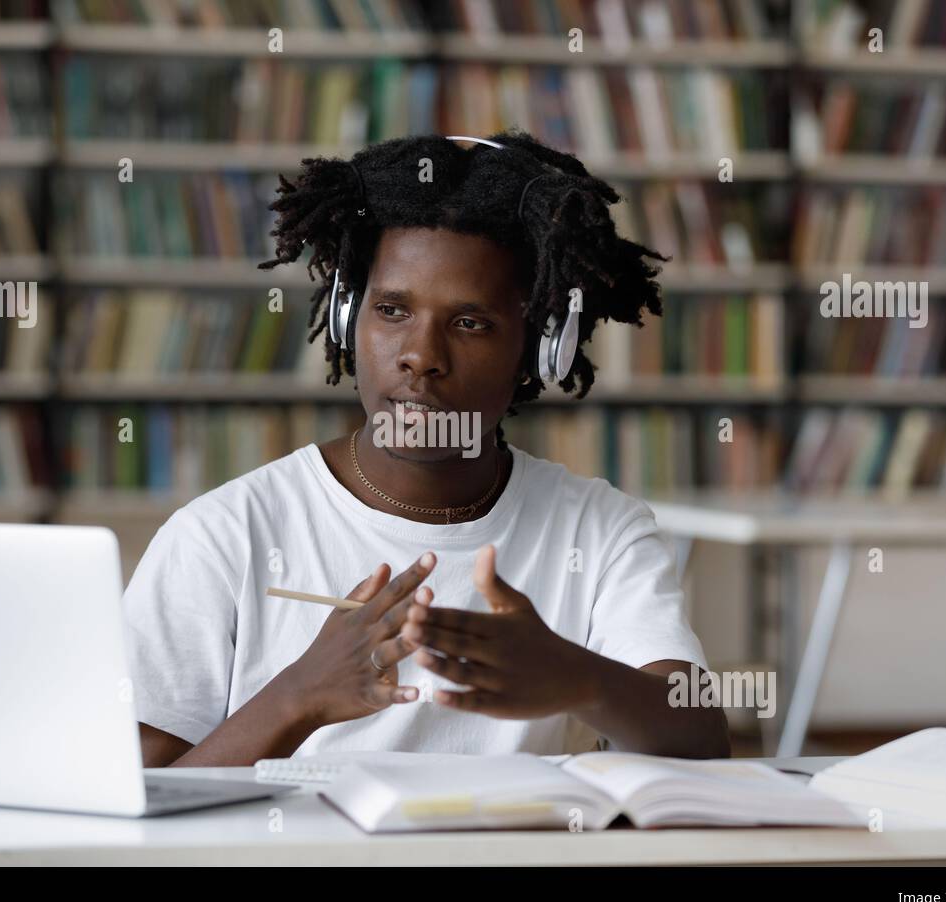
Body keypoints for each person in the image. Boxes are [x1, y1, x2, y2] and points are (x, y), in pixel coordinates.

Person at [126, 129, 730, 767]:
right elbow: (140, 809)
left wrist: (577, 676)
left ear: (539, 348)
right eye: (391, 311)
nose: (421, 356)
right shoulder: (221, 537)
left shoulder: (601, 532)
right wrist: (296, 697)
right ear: (345, 319)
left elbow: (701, 740)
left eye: (470, 323)